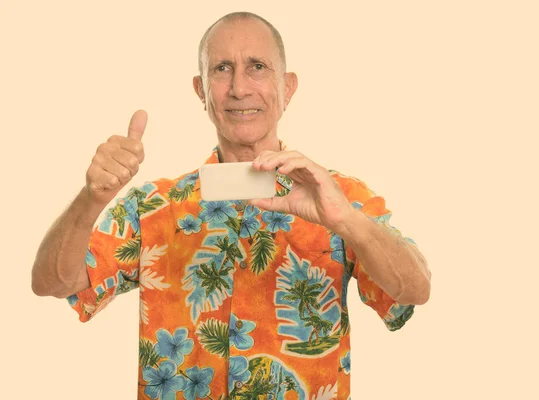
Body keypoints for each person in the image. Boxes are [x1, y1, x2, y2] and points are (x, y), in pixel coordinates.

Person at [31, 11, 431, 400]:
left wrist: (347, 221)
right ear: (200, 90)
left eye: (257, 66)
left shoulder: (342, 198)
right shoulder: (152, 205)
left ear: (288, 87)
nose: (239, 87)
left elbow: (413, 291)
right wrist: (92, 197)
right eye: (222, 69)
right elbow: (54, 282)